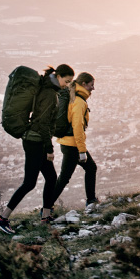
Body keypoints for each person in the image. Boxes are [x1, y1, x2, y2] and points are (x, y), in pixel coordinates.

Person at [0, 64, 75, 234]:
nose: (67, 85)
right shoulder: (49, 94)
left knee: (51, 177)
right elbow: (43, 123)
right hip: (35, 142)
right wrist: (49, 149)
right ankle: (2, 218)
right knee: (29, 183)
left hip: (36, 140)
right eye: (66, 81)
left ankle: (46, 217)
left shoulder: (48, 88)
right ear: (58, 76)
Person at [52, 72, 98, 211]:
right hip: (72, 145)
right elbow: (77, 126)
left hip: (68, 143)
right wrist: (82, 151)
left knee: (88, 169)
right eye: (91, 85)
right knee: (66, 177)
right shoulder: (78, 101)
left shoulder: (73, 96)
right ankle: (47, 206)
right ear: (83, 84)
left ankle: (91, 200)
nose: (93, 88)